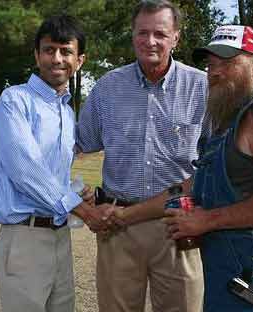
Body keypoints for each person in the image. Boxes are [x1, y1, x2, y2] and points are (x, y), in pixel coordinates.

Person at [161, 25, 253, 311]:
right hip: (230, 276)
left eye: (228, 62)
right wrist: (129, 214)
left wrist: (207, 221)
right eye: (211, 65)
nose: (215, 72)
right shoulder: (228, 119)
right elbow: (197, 183)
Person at [76, 1, 209, 311]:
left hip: (177, 226)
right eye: (142, 32)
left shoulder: (202, 88)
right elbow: (76, 144)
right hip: (117, 227)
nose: (150, 41)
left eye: (160, 33)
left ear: (176, 37)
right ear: (132, 35)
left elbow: (215, 163)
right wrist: (72, 191)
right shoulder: (107, 88)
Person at [0, 15, 109, 312]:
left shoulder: (66, 113)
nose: (56, 58)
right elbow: (25, 171)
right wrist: (80, 208)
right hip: (24, 238)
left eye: (66, 51)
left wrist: (78, 194)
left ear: (80, 60)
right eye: (48, 49)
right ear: (36, 54)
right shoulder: (14, 101)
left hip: (59, 235)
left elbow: (51, 175)